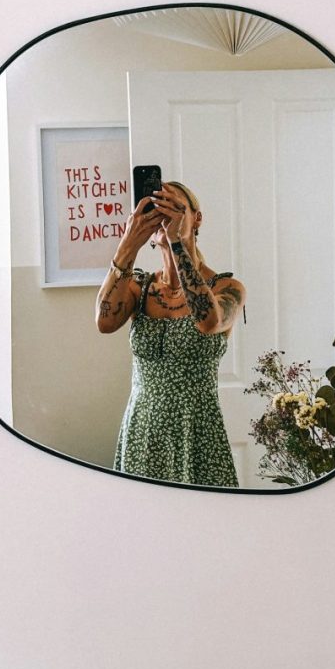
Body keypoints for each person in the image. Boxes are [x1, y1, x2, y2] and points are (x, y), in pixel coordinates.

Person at [95, 181, 245, 487]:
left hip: (197, 433)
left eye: (174, 207)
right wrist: (128, 243)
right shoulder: (139, 287)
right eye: (156, 208)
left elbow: (208, 322)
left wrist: (178, 242)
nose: (164, 216)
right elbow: (104, 322)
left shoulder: (227, 288)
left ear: (196, 218)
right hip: (142, 431)